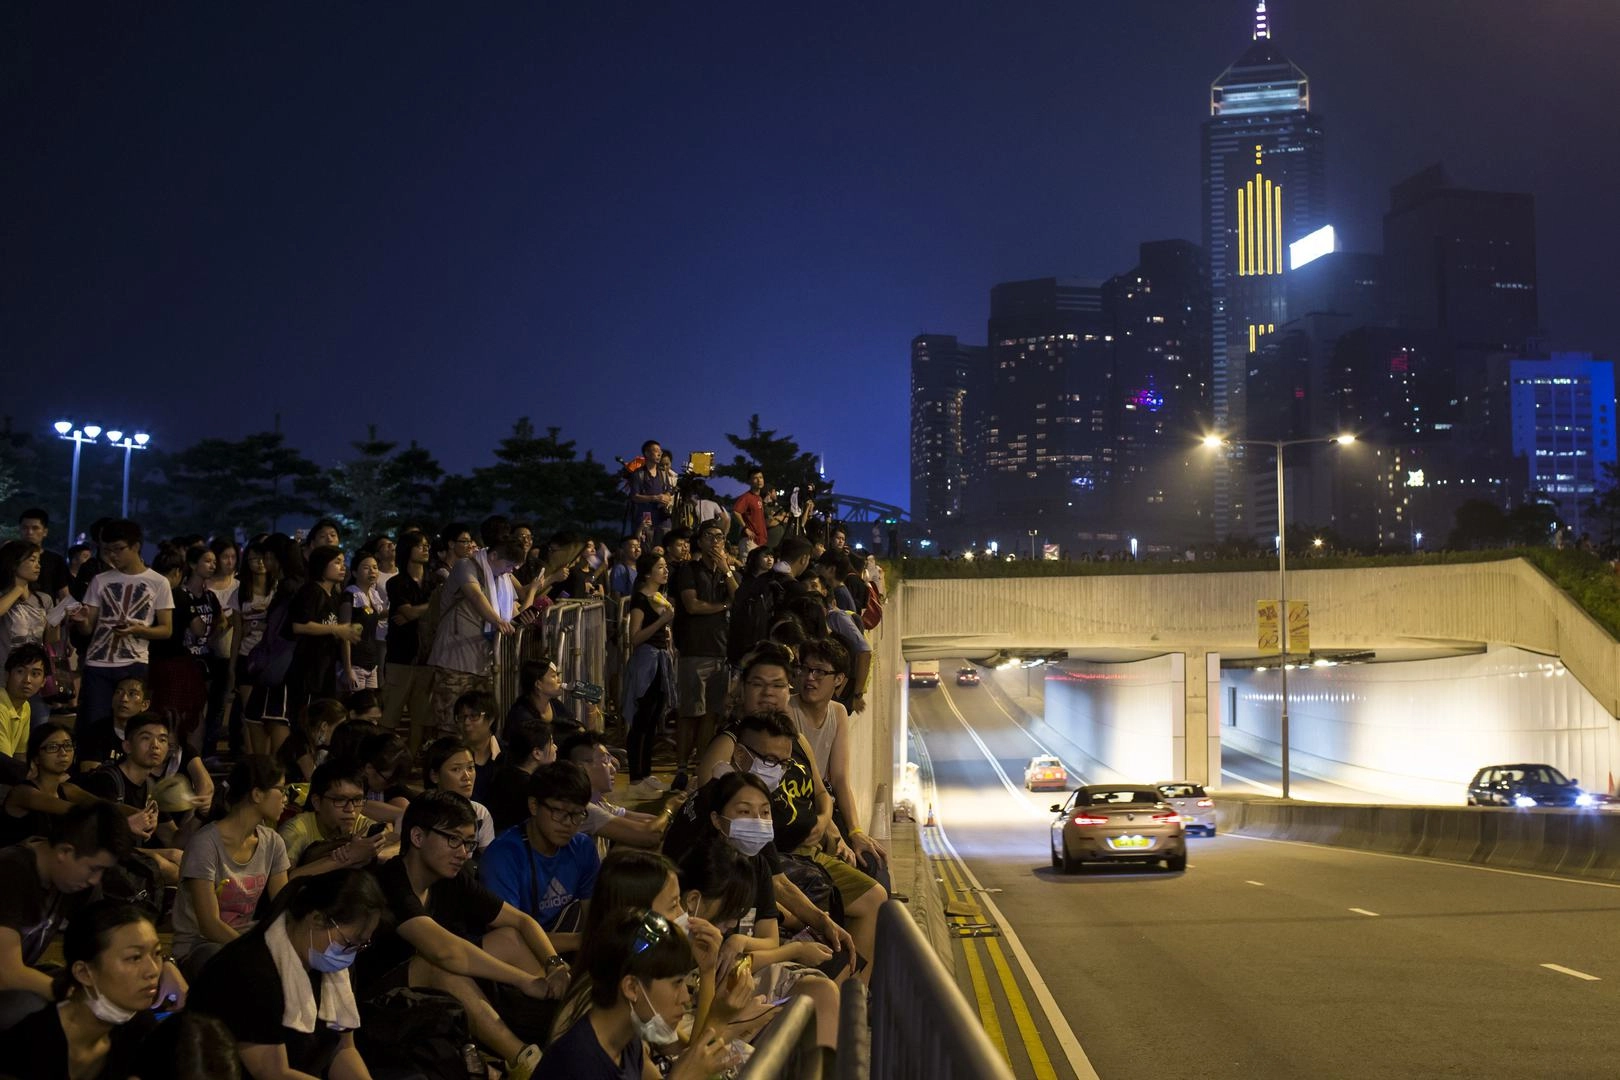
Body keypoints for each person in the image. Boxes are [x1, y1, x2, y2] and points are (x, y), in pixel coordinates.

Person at [352, 791, 569, 1080]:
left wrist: (555, 965)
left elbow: (521, 921)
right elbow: (444, 952)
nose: (464, 853)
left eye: (468, 843)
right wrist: (525, 981)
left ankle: (570, 1033)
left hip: (430, 997)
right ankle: (526, 1062)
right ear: (417, 837)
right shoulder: (390, 881)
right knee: (437, 964)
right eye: (453, 840)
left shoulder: (450, 878)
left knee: (508, 939)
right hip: (378, 1008)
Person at [0, 803, 186, 1032]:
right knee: (33, 1009)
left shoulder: (76, 878)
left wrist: (163, 964)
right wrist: (78, 996)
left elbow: (110, 928)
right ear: (65, 852)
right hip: (8, 983)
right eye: (94, 869)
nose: (96, 880)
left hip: (22, 976)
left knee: (127, 996)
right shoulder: (11, 870)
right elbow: (6, 973)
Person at [189, 868, 384, 1080]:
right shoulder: (250, 970)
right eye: (349, 942)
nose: (351, 953)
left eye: (361, 944)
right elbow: (272, 1072)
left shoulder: (336, 968)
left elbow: (343, 1049)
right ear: (316, 919)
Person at [535, 908, 730, 1080]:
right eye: (677, 983)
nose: (685, 998)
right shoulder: (576, 1063)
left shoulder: (627, 1041)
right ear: (632, 988)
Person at [0, 900, 164, 1080]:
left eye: (157, 953)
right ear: (84, 973)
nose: (153, 970)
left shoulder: (140, 1026)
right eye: (134, 957)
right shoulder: (30, 1044)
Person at [170, 755, 292, 978]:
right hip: (200, 946)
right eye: (281, 790)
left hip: (244, 939)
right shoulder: (205, 844)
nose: (285, 799)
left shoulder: (273, 842)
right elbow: (209, 925)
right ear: (257, 794)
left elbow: (282, 907)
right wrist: (256, 951)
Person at [789, 638, 887, 873]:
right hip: (799, 805)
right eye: (805, 669)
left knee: (872, 861)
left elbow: (840, 778)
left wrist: (856, 831)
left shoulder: (838, 712)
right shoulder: (787, 710)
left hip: (825, 803)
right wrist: (836, 836)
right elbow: (804, 785)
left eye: (820, 672)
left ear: (839, 679)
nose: (810, 677)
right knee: (845, 863)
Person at [479, 762, 599, 951]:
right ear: (534, 806)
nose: (569, 823)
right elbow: (509, 939)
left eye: (577, 814)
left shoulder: (582, 847)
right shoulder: (503, 856)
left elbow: (593, 916)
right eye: (559, 812)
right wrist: (583, 942)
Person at [72, 520, 174, 737]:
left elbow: (166, 629)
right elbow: (87, 629)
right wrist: (80, 620)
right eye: (108, 550)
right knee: (95, 726)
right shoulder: (100, 580)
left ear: (135, 546)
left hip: (134, 662)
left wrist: (138, 629)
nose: (113, 556)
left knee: (131, 726)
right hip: (98, 662)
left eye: (118, 549)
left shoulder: (158, 582)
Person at [426, 536, 523, 737]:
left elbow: (514, 612)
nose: (510, 571)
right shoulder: (466, 565)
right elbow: (476, 595)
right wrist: (498, 621)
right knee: (450, 721)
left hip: (483, 664)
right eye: (508, 565)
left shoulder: (503, 579)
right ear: (493, 556)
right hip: (455, 660)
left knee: (479, 726)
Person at [75, 713, 187, 885]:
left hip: (129, 856)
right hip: (101, 857)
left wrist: (199, 813)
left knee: (184, 858)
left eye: (162, 740)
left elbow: (173, 839)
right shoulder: (106, 780)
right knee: (167, 865)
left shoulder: (153, 786)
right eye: (146, 738)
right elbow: (96, 838)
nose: (155, 745)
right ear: (127, 746)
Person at [672, 521, 735, 790]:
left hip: (721, 651)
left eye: (720, 537)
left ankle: (702, 767)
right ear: (699, 542)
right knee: (690, 713)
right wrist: (724, 606)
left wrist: (727, 569)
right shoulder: (688, 570)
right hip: (694, 650)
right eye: (709, 536)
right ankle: (681, 767)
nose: (715, 541)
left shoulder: (725, 573)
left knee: (712, 713)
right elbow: (692, 605)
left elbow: (739, 598)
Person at [560, 732, 684, 853]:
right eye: (606, 760)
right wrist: (670, 809)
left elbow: (648, 822)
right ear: (582, 768)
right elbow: (648, 835)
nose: (614, 768)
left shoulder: (600, 803)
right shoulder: (582, 809)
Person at [286, 546, 361, 738]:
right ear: (321, 565)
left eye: (343, 562)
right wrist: (337, 629)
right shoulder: (311, 591)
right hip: (306, 668)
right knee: (305, 719)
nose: (342, 567)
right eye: (337, 562)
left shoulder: (334, 595)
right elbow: (299, 626)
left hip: (325, 668)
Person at [622, 551, 675, 798]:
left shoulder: (659, 598)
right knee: (641, 720)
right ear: (647, 573)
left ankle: (646, 773)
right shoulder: (641, 600)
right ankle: (636, 777)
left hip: (661, 661)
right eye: (660, 567)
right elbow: (635, 637)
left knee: (654, 719)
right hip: (647, 663)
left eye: (665, 566)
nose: (665, 571)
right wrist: (661, 622)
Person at [381, 529, 435, 749]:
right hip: (401, 656)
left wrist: (416, 612)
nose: (425, 549)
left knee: (420, 720)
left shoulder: (434, 581)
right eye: (420, 545)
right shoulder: (396, 583)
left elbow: (414, 613)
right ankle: (383, 757)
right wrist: (431, 607)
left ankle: (411, 759)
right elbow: (408, 612)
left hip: (427, 657)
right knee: (390, 716)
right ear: (407, 549)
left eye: (427, 545)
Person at [278, 760, 389, 868]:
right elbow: (285, 878)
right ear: (317, 802)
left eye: (357, 800)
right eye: (340, 800)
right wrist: (347, 857)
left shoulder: (362, 824)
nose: (350, 809)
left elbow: (397, 845)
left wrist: (375, 851)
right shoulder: (296, 829)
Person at [0, 724, 94, 848]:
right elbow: (80, 812)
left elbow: (103, 806)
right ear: (36, 758)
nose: (63, 753)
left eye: (67, 745)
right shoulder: (23, 792)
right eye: (53, 747)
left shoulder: (68, 789)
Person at [232, 539, 280, 758]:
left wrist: (260, 625)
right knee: (249, 712)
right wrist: (233, 665)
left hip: (271, 657)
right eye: (254, 559)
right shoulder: (240, 591)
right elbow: (237, 631)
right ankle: (251, 759)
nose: (260, 563)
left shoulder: (277, 589)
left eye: (263, 558)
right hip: (247, 655)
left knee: (268, 713)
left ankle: (266, 760)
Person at [0, 542, 55, 728]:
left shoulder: (43, 599)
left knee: (37, 729)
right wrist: (17, 589)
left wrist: (59, 619)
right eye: (32, 560)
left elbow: (50, 640)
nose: (38, 565)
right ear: (14, 563)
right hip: (4, 677)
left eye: (38, 561)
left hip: (35, 678)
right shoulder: (3, 596)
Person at [420, 736, 496, 851]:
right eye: (456, 769)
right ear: (434, 775)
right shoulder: (420, 813)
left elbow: (489, 858)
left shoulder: (480, 812)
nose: (467, 776)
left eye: (470, 767)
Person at [484, 717, 555, 835]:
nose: (555, 748)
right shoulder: (530, 788)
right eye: (551, 744)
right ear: (537, 753)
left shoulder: (503, 774)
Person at [338, 552, 384, 693]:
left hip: (371, 663)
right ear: (354, 573)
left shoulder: (372, 595)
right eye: (366, 568)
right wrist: (348, 669)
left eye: (375, 567)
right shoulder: (350, 596)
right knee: (356, 703)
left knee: (370, 702)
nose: (372, 571)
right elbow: (344, 635)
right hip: (355, 663)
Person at [1, 644, 47, 762]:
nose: (27, 680)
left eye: (35, 674)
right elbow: (5, 764)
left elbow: (20, 755)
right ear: (7, 675)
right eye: (20, 672)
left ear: (43, 681)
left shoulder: (25, 706)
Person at [456, 690, 502, 805]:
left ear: (491, 719)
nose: (466, 722)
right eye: (462, 717)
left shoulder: (508, 755)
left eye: (473, 716)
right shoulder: (453, 756)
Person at [16, 511, 70, 602]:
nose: (29, 532)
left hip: (46, 609)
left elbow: (64, 593)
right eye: (25, 528)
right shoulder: (8, 557)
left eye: (35, 528)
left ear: (45, 532)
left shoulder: (55, 560)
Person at [733, 470, 769, 553]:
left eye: (761, 477)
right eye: (755, 478)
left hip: (760, 541)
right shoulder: (746, 497)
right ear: (749, 481)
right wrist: (745, 528)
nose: (759, 480)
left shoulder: (759, 498)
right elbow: (736, 512)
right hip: (750, 540)